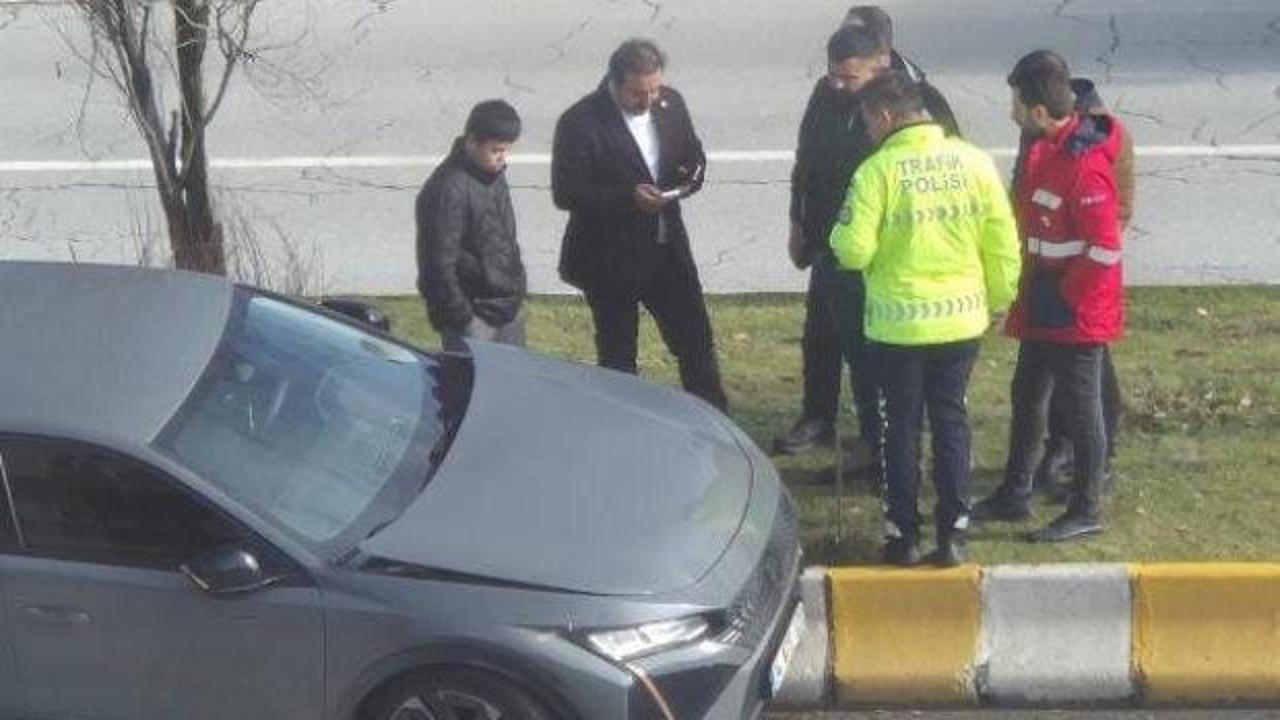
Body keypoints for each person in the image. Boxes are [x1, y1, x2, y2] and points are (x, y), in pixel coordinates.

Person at [829, 71, 1020, 566]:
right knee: (951, 419)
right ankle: (954, 530)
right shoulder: (975, 162)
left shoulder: (877, 171)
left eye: (869, 121)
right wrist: (1000, 298)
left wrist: (841, 241)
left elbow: (851, 251)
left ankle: (903, 534)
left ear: (886, 116)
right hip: (960, 320)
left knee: (901, 427)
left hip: (898, 326)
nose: (868, 131)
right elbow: (1002, 242)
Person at [775, 7, 960, 469]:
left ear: (881, 62)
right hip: (828, 237)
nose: (838, 85)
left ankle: (878, 440)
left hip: (880, 250)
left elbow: (946, 167)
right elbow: (807, 158)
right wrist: (798, 220)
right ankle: (819, 415)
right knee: (820, 332)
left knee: (869, 349)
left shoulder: (921, 100)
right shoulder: (827, 94)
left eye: (849, 77)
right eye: (833, 75)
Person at [973, 51, 1126, 543]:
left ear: (1038, 109)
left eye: (1016, 102)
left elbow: (1104, 247)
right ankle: (1015, 492)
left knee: (1082, 411)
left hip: (1074, 310)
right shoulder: (1045, 148)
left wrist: (1067, 295)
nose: (1011, 111)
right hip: (1043, 297)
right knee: (1027, 395)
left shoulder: (1084, 167)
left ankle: (1086, 507)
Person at [552, 38, 728, 410]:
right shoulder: (580, 121)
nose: (648, 100)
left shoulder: (670, 103)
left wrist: (686, 182)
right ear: (615, 82)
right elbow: (567, 192)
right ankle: (625, 429)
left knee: (695, 342)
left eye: (654, 89)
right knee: (618, 353)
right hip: (610, 257)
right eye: (637, 92)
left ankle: (714, 420)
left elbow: (692, 155)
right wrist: (626, 198)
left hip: (667, 252)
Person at [1030, 71, 1135, 498]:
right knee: (1050, 377)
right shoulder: (1045, 130)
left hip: (1079, 287)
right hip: (1051, 278)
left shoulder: (1091, 141)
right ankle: (1059, 449)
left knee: (1090, 382)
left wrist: (1072, 288)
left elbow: (1114, 218)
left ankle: (1093, 470)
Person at [416, 99, 527, 349]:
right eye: (496, 150)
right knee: (472, 386)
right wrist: (461, 316)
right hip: (473, 317)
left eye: (506, 150)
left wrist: (518, 285)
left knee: (513, 382)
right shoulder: (447, 190)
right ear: (472, 141)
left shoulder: (492, 174)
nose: (503, 158)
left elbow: (505, 236)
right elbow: (437, 265)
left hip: (506, 305)